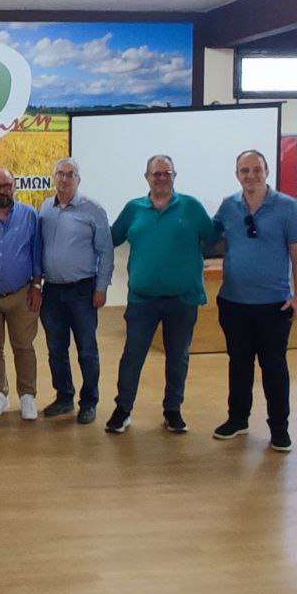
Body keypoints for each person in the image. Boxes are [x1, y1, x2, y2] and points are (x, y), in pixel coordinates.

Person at [106, 154, 216, 435]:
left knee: (178, 357)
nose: (161, 178)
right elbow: (111, 238)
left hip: (183, 300)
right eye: (156, 173)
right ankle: (123, 410)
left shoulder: (191, 207)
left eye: (167, 173)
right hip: (142, 301)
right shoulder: (133, 209)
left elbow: (213, 237)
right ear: (147, 177)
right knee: (132, 356)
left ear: (174, 176)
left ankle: (173, 411)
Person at [211, 149, 297, 453]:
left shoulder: (288, 207)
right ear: (237, 174)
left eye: (257, 169)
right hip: (233, 303)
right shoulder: (228, 206)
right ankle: (237, 419)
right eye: (245, 170)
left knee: (274, 368)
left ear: (267, 172)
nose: (251, 175)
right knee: (239, 365)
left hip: (274, 306)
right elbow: (209, 239)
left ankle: (279, 429)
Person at [38, 157, 113, 425]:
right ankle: (64, 397)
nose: (64, 178)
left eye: (70, 174)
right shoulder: (45, 208)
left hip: (83, 291)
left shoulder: (93, 210)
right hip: (52, 292)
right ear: (53, 177)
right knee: (56, 349)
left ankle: (89, 402)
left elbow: (106, 252)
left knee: (87, 350)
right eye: (60, 173)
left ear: (78, 179)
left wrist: (101, 287)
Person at [0, 167, 43, 421]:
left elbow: (37, 252)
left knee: (23, 346)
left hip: (21, 293)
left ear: (14, 187)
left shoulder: (30, 215)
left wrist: (37, 286)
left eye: (6, 185)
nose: (1, 190)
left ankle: (27, 396)